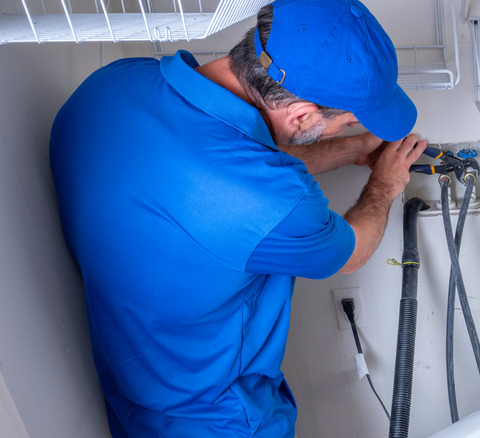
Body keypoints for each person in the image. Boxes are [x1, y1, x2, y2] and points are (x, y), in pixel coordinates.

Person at [48, 0, 427, 436]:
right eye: (344, 124)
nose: (344, 131)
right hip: (222, 419)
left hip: (135, 396)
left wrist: (351, 148)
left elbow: (238, 149)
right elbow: (352, 249)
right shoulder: (274, 203)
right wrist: (386, 183)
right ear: (301, 114)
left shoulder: (110, 86)